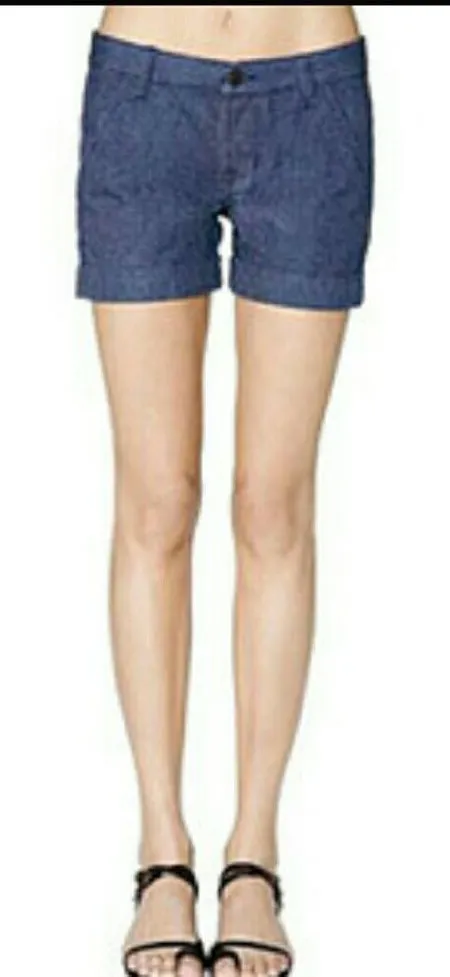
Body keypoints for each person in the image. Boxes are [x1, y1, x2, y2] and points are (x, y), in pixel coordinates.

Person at [75, 6, 374, 977]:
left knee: (272, 503)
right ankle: (162, 852)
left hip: (310, 88)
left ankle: (254, 855)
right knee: (156, 500)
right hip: (144, 93)